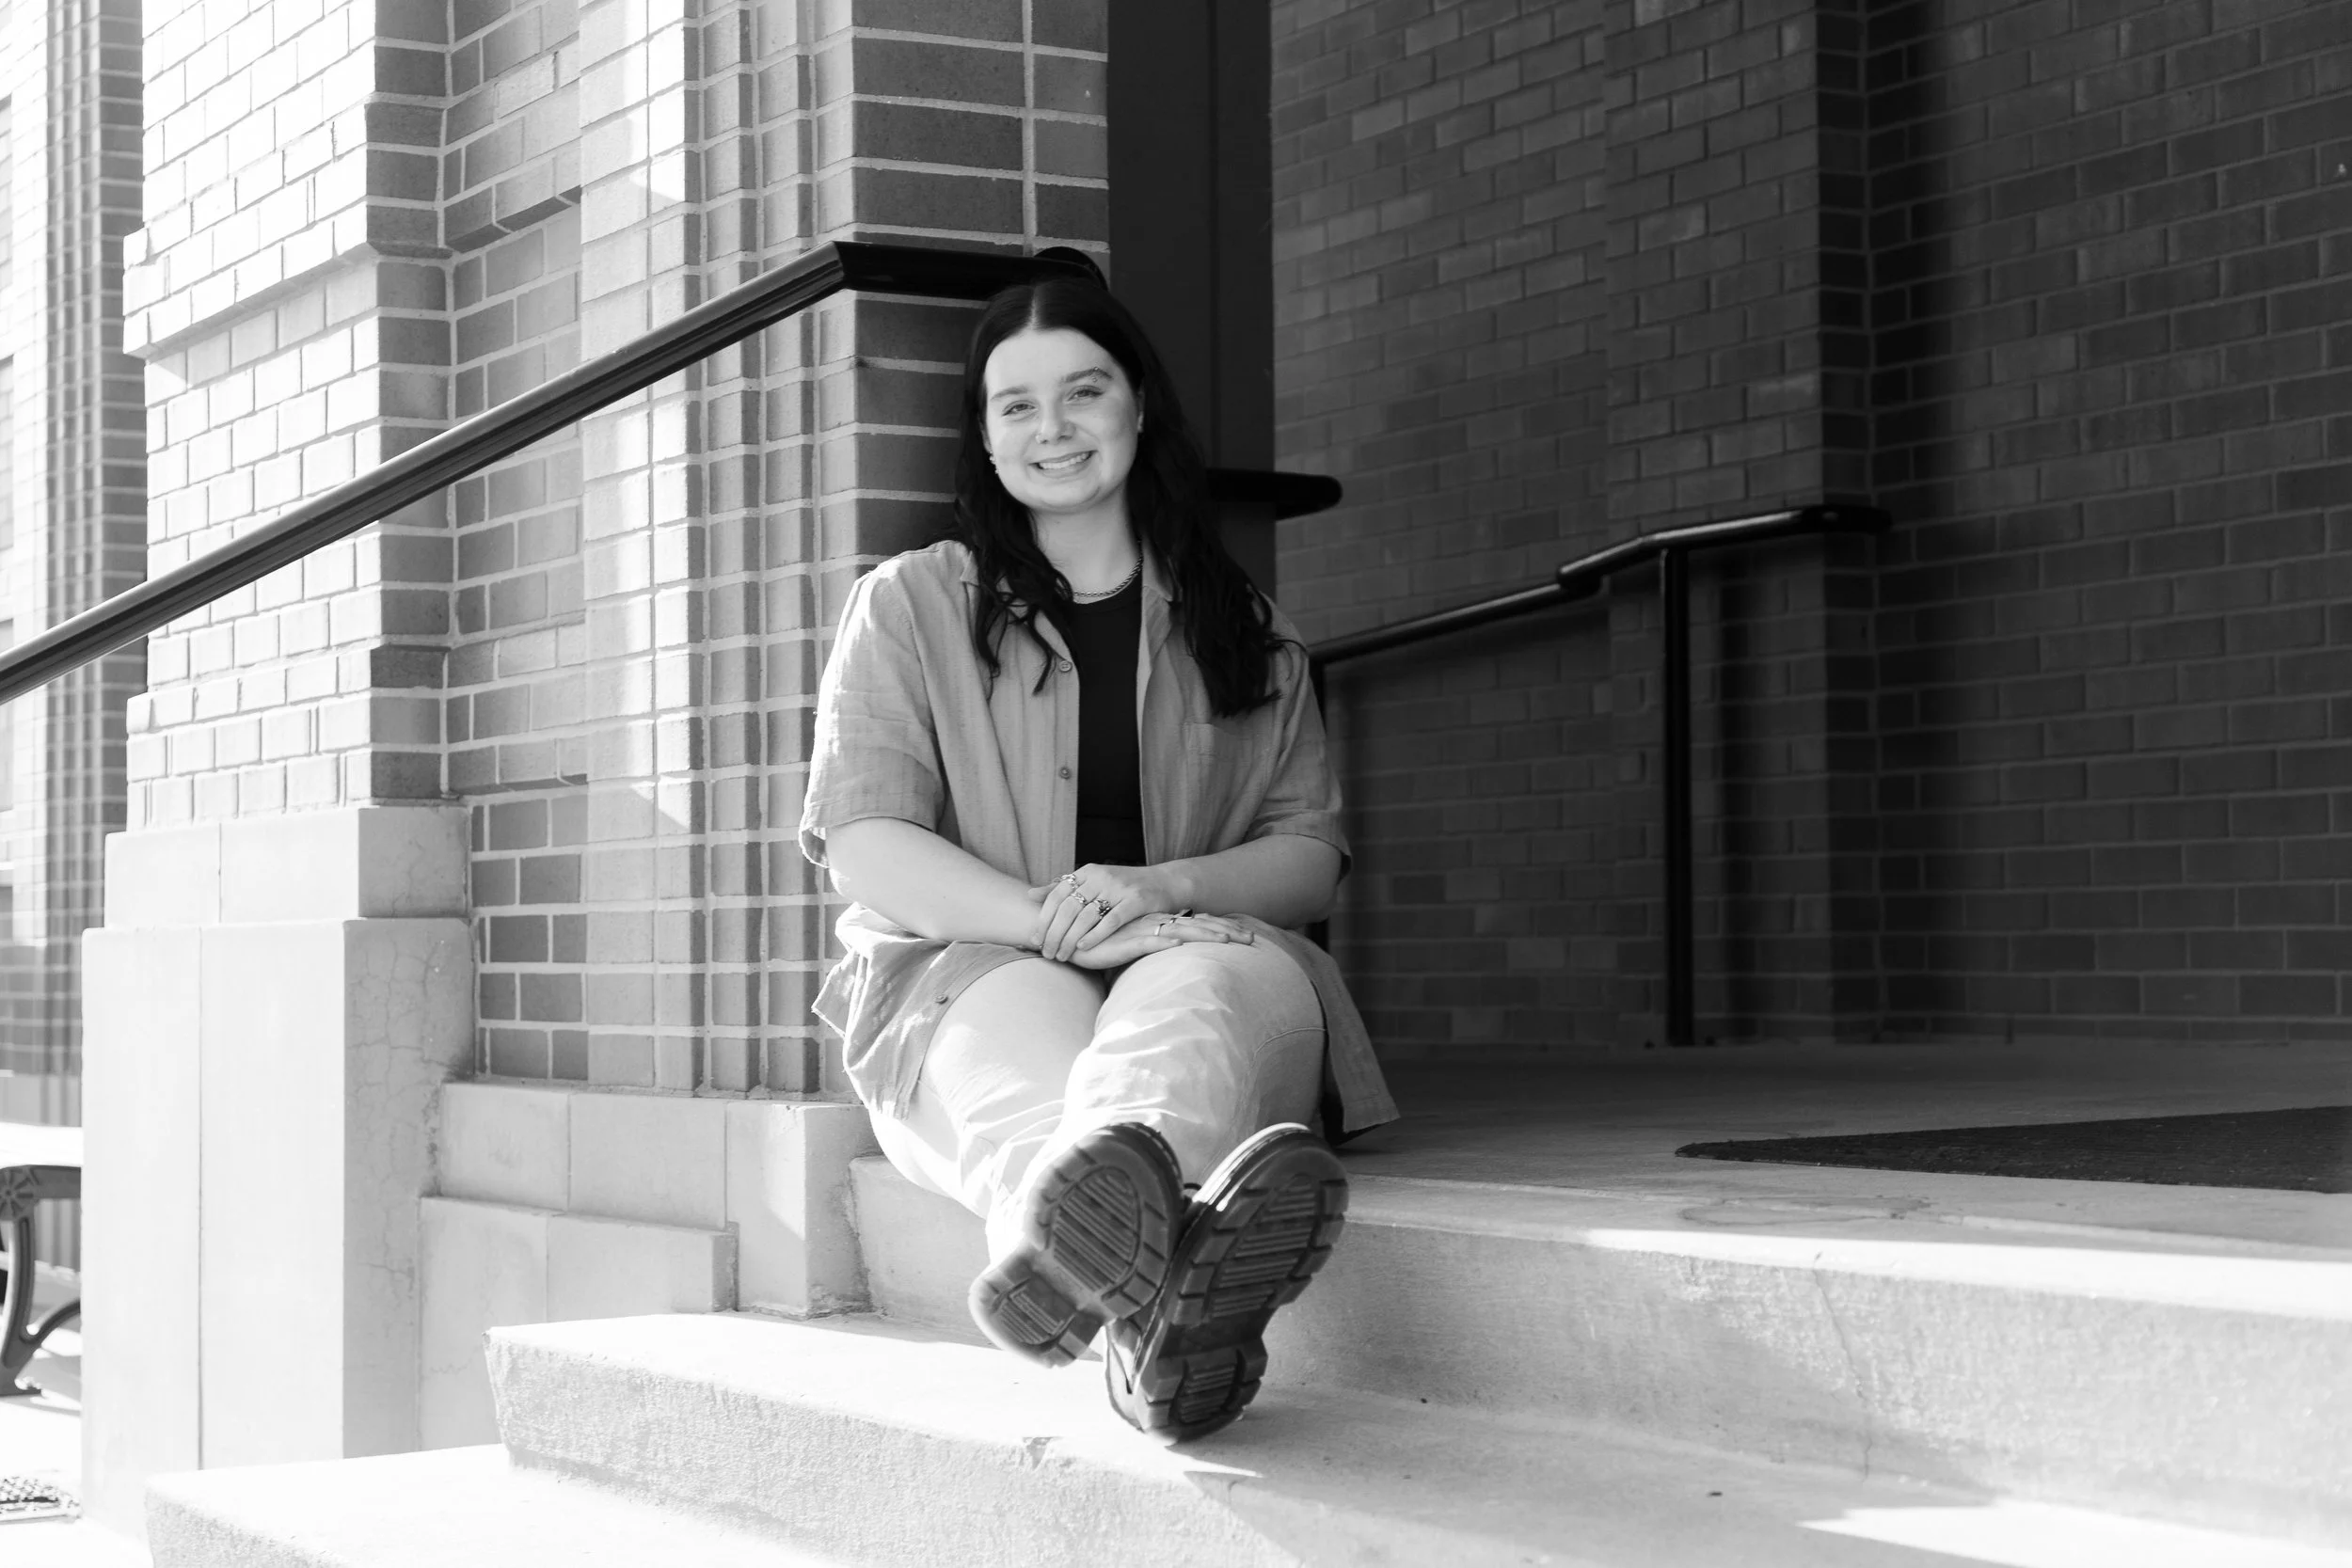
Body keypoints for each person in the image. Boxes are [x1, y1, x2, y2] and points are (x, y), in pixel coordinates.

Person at [798, 269, 1396, 1442]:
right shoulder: (907, 605)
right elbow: (866, 842)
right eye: (1014, 404)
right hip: (975, 966)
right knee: (1037, 1094)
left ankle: (1080, 1260)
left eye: (1082, 391)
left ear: (1137, 408)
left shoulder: (1250, 632)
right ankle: (1158, 1321)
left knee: (1190, 993)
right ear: (982, 433)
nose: (1051, 427)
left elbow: (1309, 854)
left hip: (1202, 948)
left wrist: (1162, 890)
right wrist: (1045, 921)